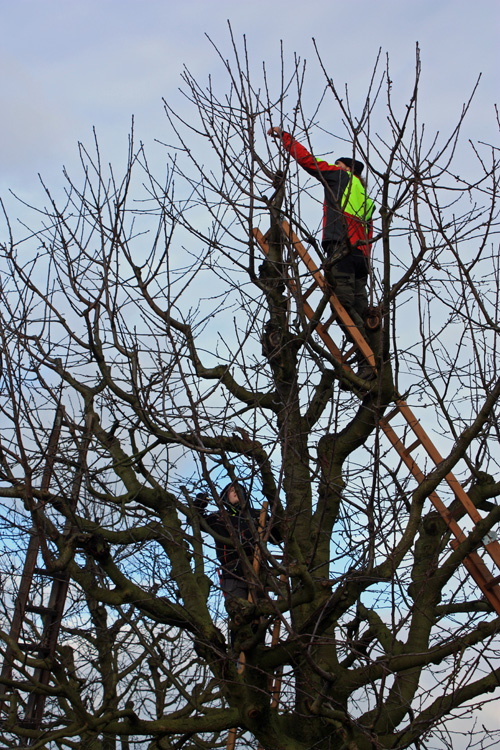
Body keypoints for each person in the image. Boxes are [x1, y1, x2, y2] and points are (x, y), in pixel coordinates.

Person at [268, 126, 375, 379]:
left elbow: (308, 161)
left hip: (342, 249)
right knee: (363, 311)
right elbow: (369, 233)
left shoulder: (340, 176)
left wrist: (285, 137)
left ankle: (367, 361)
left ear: (346, 168)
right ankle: (376, 358)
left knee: (343, 307)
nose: (334, 167)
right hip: (361, 258)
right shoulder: (365, 197)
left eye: (338, 164)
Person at [194, 482, 280, 606]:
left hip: (259, 573)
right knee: (238, 610)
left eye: (239, 490)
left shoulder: (258, 515)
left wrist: (276, 518)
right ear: (226, 496)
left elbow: (277, 538)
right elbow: (195, 521)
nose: (236, 492)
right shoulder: (218, 518)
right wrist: (199, 504)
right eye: (232, 490)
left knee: (260, 612)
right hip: (232, 575)